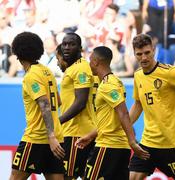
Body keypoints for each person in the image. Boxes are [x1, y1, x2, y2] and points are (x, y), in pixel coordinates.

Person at [74, 46, 150, 179]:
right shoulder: (116, 81)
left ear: (96, 62)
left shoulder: (108, 85)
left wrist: (133, 142)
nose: (89, 63)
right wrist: (91, 136)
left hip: (108, 147)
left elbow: (123, 113)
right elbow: (112, 119)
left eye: (90, 59)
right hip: (120, 148)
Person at [128, 34, 175, 180]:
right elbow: (138, 104)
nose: (144, 58)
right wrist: (123, 126)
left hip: (170, 144)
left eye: (147, 53)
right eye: (139, 54)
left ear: (153, 49)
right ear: (134, 54)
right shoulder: (138, 75)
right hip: (147, 142)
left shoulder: (170, 72)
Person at [10, 32, 65, 179]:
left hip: (37, 138)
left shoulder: (31, 76)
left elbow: (45, 104)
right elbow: (58, 102)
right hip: (57, 138)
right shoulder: (46, 71)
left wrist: (50, 136)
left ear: (17, 53)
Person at [58, 32, 96, 179]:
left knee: (67, 176)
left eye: (71, 44)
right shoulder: (73, 67)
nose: (66, 47)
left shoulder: (81, 68)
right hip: (73, 131)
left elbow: (81, 102)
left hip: (77, 132)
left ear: (80, 48)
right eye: (64, 44)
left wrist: (58, 121)